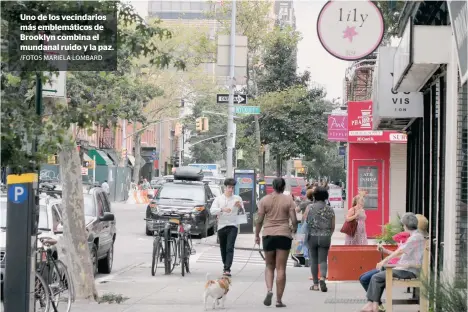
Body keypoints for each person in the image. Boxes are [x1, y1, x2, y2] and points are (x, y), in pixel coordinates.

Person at [358, 214, 428, 312]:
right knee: (374, 277)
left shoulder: (415, 237)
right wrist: (386, 254)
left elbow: (400, 252)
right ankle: (374, 305)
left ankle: (373, 305)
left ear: (406, 225)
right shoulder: (415, 236)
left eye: (403, 225)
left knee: (376, 277)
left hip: (408, 270)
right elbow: (402, 254)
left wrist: (384, 261)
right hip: (404, 268)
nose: (403, 227)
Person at [255, 178, 297, 308]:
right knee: (281, 268)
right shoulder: (288, 199)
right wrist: (293, 229)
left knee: (269, 266)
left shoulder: (264, 200)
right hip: (283, 235)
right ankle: (279, 300)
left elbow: (259, 220)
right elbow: (294, 220)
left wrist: (257, 235)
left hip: (268, 235)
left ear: (272, 186)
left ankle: (269, 290)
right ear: (283, 187)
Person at [302, 187, 335, 292]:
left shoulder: (310, 208)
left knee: (314, 261)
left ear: (315, 196)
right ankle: (322, 279)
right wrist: (328, 234)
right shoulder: (330, 209)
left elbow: (305, 220)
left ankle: (315, 285)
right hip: (325, 236)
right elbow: (332, 226)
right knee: (323, 260)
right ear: (326, 197)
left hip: (312, 236)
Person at [210, 178, 244, 277]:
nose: (230, 190)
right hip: (221, 225)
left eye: (232, 188)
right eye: (229, 187)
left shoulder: (237, 198)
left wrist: (240, 206)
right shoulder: (219, 199)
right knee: (223, 247)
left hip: (233, 225)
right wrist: (222, 209)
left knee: (230, 247)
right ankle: (225, 264)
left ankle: (227, 268)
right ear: (225, 187)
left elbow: (242, 211)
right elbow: (212, 210)